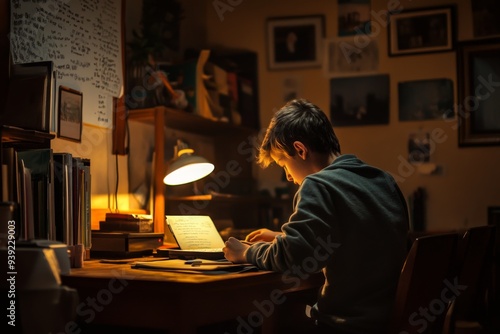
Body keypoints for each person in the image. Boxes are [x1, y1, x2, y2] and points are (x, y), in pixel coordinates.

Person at [223, 98, 409, 334]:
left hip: (346, 325)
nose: (288, 177)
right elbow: (355, 233)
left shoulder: (318, 184)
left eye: (283, 164)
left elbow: (294, 257)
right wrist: (282, 236)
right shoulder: (382, 180)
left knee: (262, 318)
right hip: (386, 320)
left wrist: (246, 252)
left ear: (300, 150)